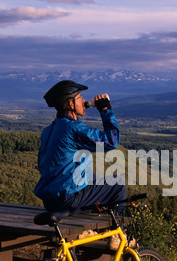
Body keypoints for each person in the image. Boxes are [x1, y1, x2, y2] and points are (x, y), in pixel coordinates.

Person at [34, 80, 127, 247]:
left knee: (94, 179)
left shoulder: (48, 130)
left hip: (50, 201)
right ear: (71, 103)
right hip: (67, 199)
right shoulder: (74, 129)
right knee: (118, 183)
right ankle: (119, 237)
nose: (83, 100)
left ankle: (85, 232)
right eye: (80, 97)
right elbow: (111, 141)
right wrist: (105, 110)